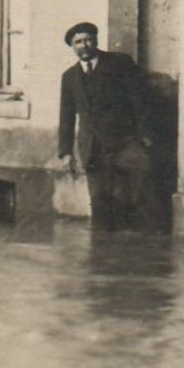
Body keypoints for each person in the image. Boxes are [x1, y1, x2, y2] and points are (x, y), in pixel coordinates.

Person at [56, 21, 159, 233]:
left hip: (126, 140)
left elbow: (139, 100)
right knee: (99, 198)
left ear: (96, 40)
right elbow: (66, 116)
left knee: (141, 183)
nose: (84, 45)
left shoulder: (119, 64)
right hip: (92, 146)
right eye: (78, 42)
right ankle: (102, 246)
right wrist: (66, 152)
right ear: (72, 47)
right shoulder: (69, 77)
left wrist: (145, 135)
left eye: (88, 40)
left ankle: (147, 241)